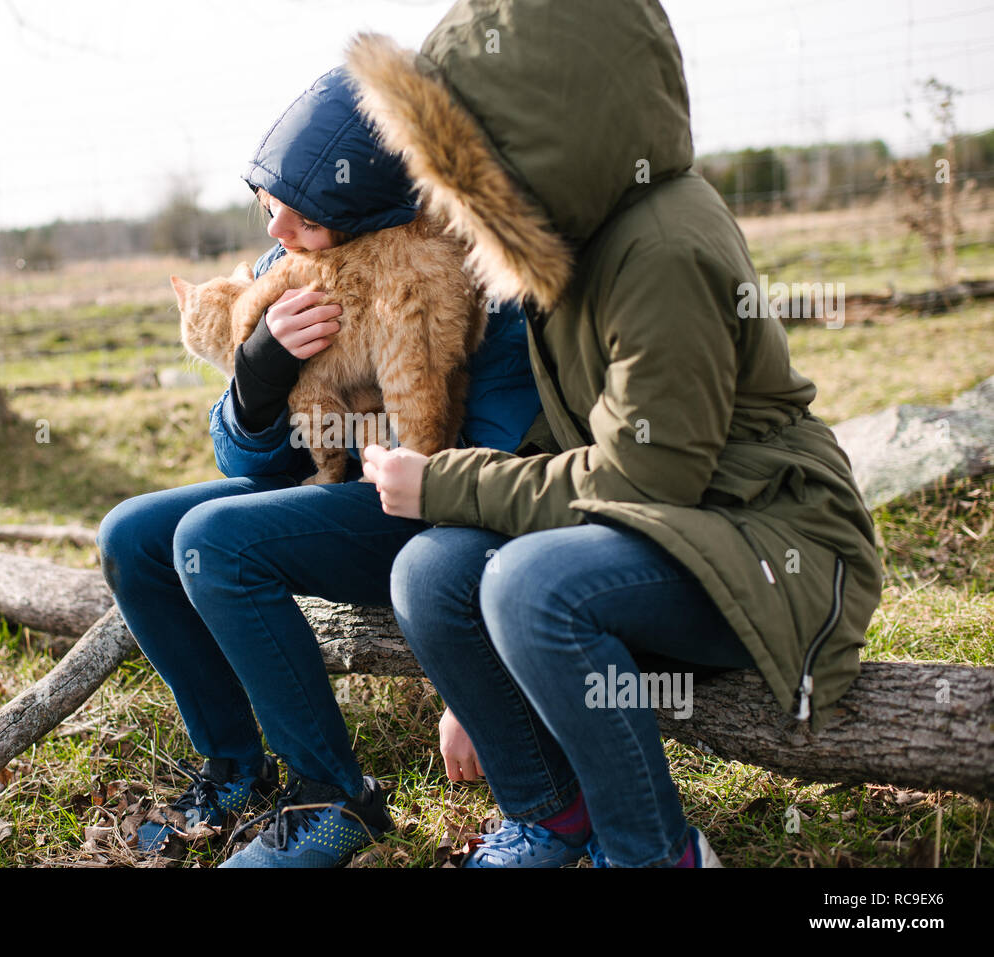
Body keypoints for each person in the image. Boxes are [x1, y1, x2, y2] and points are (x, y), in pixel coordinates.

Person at [357, 0, 883, 867]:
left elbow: (648, 477)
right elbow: (572, 454)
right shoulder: (573, 244)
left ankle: (655, 852)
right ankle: (553, 816)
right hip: (673, 538)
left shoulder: (662, 250)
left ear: (545, 137)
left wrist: (446, 482)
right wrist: (472, 681)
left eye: (472, 167)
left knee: (530, 586)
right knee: (433, 570)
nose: (456, 205)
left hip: (770, 543)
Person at [96, 64, 541, 868]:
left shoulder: (472, 277)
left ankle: (333, 799)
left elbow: (490, 461)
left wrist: (466, 670)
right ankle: (235, 770)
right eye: (271, 211)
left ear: (373, 203)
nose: (279, 235)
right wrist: (258, 377)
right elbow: (240, 457)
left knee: (214, 541)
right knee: (131, 535)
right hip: (329, 492)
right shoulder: (291, 268)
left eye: (304, 217)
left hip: (423, 510)